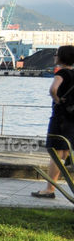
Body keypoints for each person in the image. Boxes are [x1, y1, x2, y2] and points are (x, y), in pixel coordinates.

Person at [32, 46, 74, 199]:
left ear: (61, 57)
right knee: (65, 152)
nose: (54, 56)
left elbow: (53, 89)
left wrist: (57, 99)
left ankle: (49, 189)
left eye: (56, 54)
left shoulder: (61, 73)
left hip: (60, 118)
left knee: (55, 154)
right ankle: (55, 186)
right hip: (71, 119)